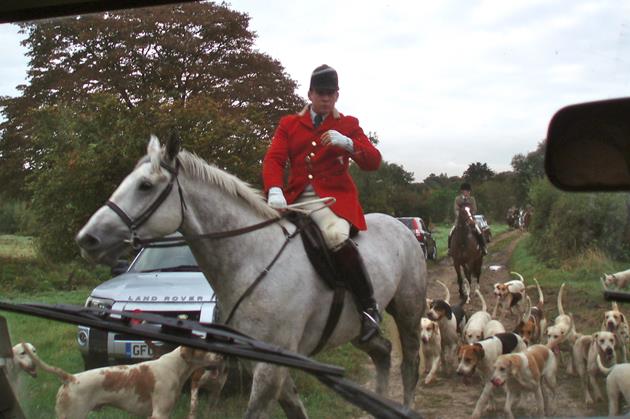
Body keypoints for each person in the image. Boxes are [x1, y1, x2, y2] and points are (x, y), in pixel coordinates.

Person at [262, 64, 382, 343]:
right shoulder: (289, 124)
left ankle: (368, 308)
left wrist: (350, 144)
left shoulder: (348, 124)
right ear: (310, 94)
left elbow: (373, 161)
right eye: (320, 93)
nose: (325, 98)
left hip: (333, 200)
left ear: (337, 96)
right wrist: (275, 189)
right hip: (295, 198)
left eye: (330, 94)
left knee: (335, 236)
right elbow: (275, 159)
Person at [447, 182, 488, 256]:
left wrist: (470, 216)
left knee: (479, 231)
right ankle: (450, 249)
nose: (467, 193)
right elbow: (456, 209)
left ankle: (483, 247)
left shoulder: (472, 199)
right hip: (459, 220)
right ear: (462, 191)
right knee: (450, 233)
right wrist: (459, 216)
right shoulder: (457, 199)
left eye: (468, 191)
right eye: (465, 191)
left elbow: (474, 209)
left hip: (470, 219)